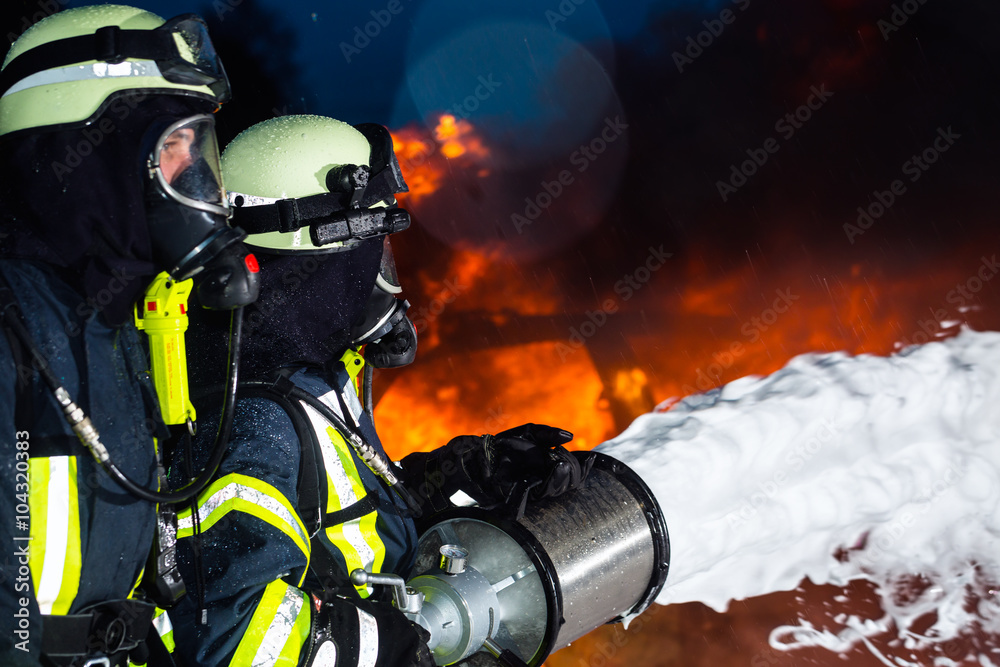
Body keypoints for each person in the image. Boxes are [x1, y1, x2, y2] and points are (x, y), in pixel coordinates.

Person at [169, 114, 594, 666]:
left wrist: (455, 478)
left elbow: (341, 527)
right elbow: (236, 642)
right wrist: (392, 649)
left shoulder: (313, 377)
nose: (383, 282)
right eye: (374, 257)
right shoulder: (253, 421)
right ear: (325, 261)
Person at [0, 5, 259, 666]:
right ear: (87, 153)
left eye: (197, 154)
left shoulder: (119, 329)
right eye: (171, 149)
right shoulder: (12, 325)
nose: (194, 181)